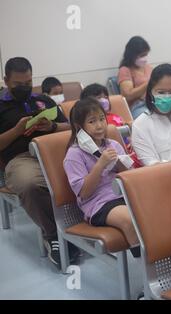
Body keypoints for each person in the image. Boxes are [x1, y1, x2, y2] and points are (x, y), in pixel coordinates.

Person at [0, 57, 77, 268]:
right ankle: (53, 235)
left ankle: (81, 226)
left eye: (28, 83)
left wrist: (51, 127)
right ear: (6, 80)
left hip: (54, 153)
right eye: (18, 84)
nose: (24, 88)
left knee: (83, 174)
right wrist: (17, 131)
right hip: (21, 158)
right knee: (30, 184)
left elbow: (70, 127)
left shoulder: (43, 100)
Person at [63, 97, 140, 257]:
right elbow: (84, 193)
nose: (99, 125)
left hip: (123, 194)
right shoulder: (74, 155)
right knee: (131, 220)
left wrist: (118, 162)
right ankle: (148, 268)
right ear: (79, 127)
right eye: (92, 121)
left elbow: (130, 176)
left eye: (101, 119)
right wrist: (100, 164)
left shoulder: (113, 145)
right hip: (99, 204)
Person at [118, 36, 153, 119]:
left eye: (146, 54)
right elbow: (128, 95)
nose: (144, 58)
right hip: (138, 106)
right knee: (149, 117)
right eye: (141, 55)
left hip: (152, 102)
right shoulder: (125, 70)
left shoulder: (148, 67)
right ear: (132, 55)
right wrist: (149, 83)